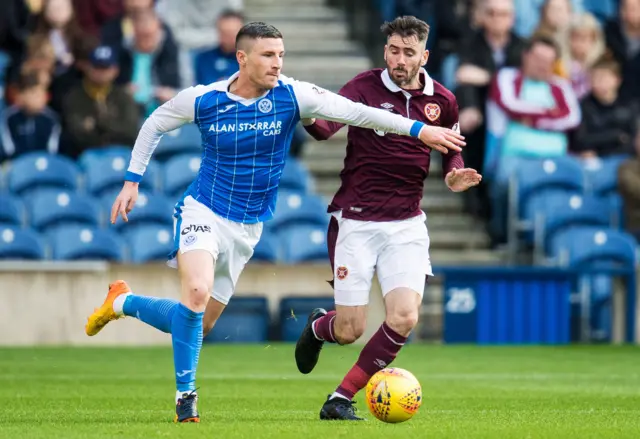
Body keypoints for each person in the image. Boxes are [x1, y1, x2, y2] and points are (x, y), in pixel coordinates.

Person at [83, 21, 466, 424]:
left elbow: (359, 113)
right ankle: (186, 397)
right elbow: (155, 123)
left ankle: (122, 301)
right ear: (242, 58)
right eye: (268, 55)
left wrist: (420, 130)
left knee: (199, 322)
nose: (277, 64)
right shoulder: (204, 99)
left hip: (248, 226)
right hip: (203, 210)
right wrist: (132, 180)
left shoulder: (293, 95)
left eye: (281, 55)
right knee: (196, 293)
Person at [292, 15, 481, 421]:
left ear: (424, 56)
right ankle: (317, 328)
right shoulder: (362, 87)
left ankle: (340, 398)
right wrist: (307, 112)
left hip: (406, 225)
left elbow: (452, 150)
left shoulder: (442, 100)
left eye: (408, 52)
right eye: (393, 50)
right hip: (356, 222)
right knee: (349, 330)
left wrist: (455, 173)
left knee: (405, 316)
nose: (399, 59)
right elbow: (324, 128)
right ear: (385, 51)